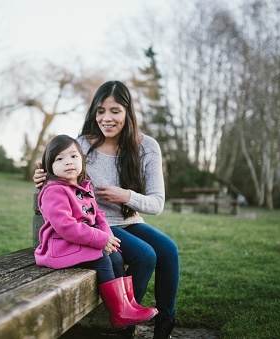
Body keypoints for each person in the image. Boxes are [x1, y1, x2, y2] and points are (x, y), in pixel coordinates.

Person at [34, 81, 180, 339]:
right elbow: (61, 174)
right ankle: (125, 324)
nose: (106, 118)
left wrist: (127, 195)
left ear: (127, 112)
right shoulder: (80, 146)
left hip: (130, 220)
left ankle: (164, 325)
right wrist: (44, 178)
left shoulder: (146, 147)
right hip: (95, 225)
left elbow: (157, 203)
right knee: (145, 255)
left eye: (115, 111)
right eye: (100, 111)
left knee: (168, 249)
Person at [34, 134, 158, 331]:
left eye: (74, 156)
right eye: (60, 158)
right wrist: (100, 240)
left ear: (82, 160)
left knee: (115, 255)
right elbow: (66, 227)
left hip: (79, 242)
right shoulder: (54, 191)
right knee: (101, 257)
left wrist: (109, 238)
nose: (68, 162)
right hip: (61, 246)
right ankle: (118, 313)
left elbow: (98, 215)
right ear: (49, 166)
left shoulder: (83, 187)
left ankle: (128, 304)